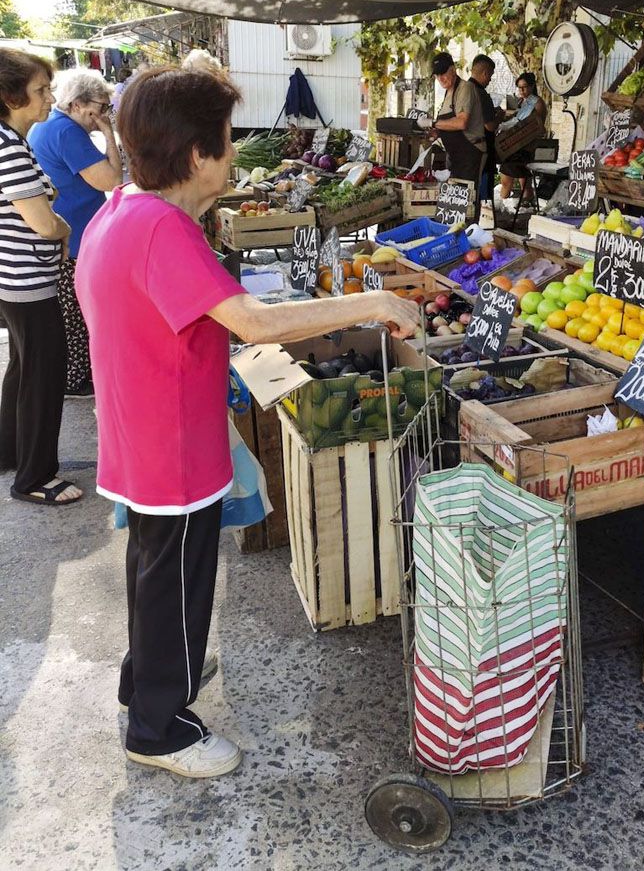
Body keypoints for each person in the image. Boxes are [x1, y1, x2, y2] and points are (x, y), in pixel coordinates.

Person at [75, 66, 419, 779]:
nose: (234, 154)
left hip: (141, 433)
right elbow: (254, 322)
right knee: (177, 580)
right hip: (170, 441)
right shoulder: (161, 227)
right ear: (196, 153)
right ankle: (159, 729)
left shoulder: (122, 209)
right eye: (228, 141)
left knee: (154, 571)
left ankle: (148, 680)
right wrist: (372, 304)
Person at [0, 49, 82, 506]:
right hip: (27, 282)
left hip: (16, 279)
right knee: (43, 377)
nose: (50, 98)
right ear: (10, 97)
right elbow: (44, 223)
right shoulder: (9, 147)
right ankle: (34, 477)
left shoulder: (13, 140)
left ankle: (10, 453)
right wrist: (64, 229)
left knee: (23, 369)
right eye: (40, 90)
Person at [29, 69, 123, 397]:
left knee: (73, 309)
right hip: (74, 237)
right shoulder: (67, 131)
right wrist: (109, 134)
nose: (104, 114)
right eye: (101, 107)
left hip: (69, 233)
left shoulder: (54, 126)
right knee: (77, 312)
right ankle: (75, 379)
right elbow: (112, 180)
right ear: (79, 104)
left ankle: (74, 376)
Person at [418, 52, 486, 198]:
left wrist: (433, 122)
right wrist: (435, 132)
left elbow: (461, 122)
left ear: (453, 70)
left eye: (443, 73)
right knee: (455, 200)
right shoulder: (448, 92)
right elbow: (448, 125)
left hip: (470, 154)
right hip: (454, 155)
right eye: (437, 75)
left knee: (468, 199)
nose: (440, 78)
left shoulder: (465, 88)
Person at [496, 72, 547, 204]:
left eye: (524, 87)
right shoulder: (519, 101)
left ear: (532, 86)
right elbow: (511, 118)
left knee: (512, 180)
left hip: (525, 146)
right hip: (512, 144)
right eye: (519, 87)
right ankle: (521, 203)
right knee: (521, 181)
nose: (521, 90)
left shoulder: (538, 103)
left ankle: (506, 204)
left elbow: (537, 126)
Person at [469, 54, 501, 204]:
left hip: (464, 151)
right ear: (485, 73)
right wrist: (499, 117)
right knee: (482, 199)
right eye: (490, 76)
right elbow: (490, 126)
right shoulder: (481, 94)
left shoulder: (461, 90)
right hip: (481, 152)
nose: (490, 80)